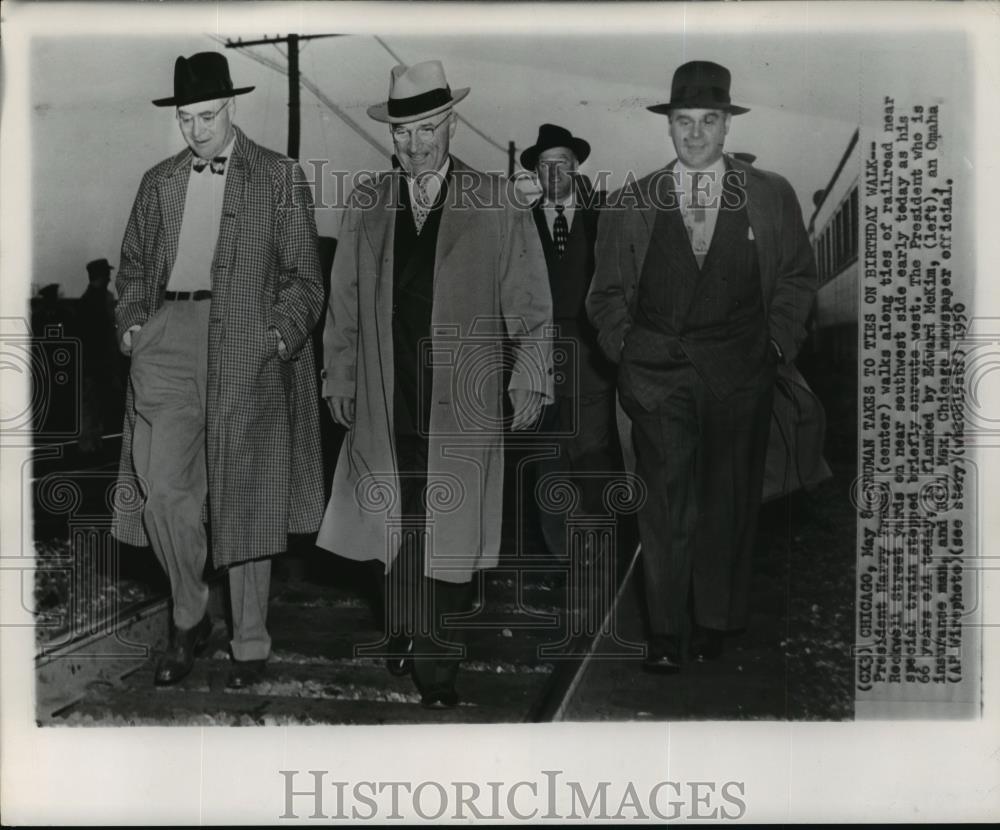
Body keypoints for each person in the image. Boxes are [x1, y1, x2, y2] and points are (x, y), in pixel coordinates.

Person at [317, 60, 552, 708]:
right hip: (387, 392)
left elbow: (531, 303)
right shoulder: (368, 203)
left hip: (462, 399)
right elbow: (343, 303)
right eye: (403, 134)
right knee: (392, 521)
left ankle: (435, 663)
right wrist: (339, 373)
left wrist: (529, 377)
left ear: (449, 124)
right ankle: (404, 626)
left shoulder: (497, 200)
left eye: (426, 130)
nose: (415, 146)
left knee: (442, 526)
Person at [587, 60, 817, 672]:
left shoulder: (770, 194)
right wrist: (626, 351)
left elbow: (796, 278)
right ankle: (665, 634)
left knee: (727, 503)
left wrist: (774, 348)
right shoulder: (633, 201)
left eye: (707, 122)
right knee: (663, 507)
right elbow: (604, 294)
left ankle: (714, 621)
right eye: (683, 122)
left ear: (726, 126)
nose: (694, 135)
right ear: (668, 127)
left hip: (741, 373)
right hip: (657, 376)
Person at [111, 52, 325, 688]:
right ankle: (190, 612)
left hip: (245, 340)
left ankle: (251, 641)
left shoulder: (279, 177)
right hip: (169, 338)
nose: (197, 130)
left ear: (231, 107)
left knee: (246, 492)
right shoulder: (158, 182)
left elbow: (305, 281)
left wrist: (274, 338)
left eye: (207, 116)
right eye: (186, 119)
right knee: (164, 493)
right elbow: (130, 267)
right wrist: (132, 326)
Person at [519, 124, 621, 560]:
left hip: (592, 357)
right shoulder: (519, 222)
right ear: (536, 174)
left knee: (594, 455)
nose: (554, 172)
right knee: (549, 460)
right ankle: (564, 557)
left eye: (561, 163)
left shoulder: (604, 216)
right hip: (539, 358)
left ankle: (598, 552)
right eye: (544, 166)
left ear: (576, 166)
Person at [76, 258, 119, 455]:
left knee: (94, 405)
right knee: (93, 405)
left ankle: (92, 443)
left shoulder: (87, 301)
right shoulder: (99, 300)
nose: (110, 277)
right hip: (97, 363)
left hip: (91, 364)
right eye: (107, 274)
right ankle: (89, 445)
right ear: (102, 275)